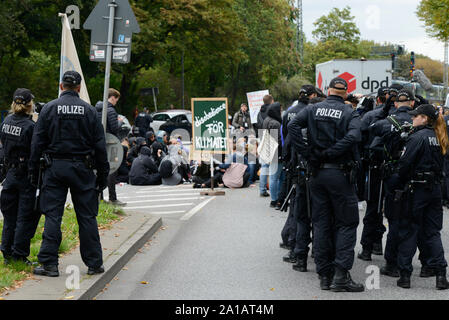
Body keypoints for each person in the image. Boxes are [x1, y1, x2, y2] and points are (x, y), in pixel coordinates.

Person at [29, 71, 109, 277]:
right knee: (87, 216)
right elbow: (100, 147)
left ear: (61, 85)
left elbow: (36, 143)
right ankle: (94, 263)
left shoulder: (48, 109)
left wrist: (32, 172)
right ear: (79, 88)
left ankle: (49, 264)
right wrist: (103, 175)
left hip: (54, 168)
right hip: (82, 169)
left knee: (53, 215)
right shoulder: (90, 111)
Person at [288, 77, 364, 292]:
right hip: (339, 173)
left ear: (328, 90)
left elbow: (292, 125)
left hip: (317, 173)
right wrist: (332, 153)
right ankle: (341, 275)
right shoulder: (350, 112)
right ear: (345, 93)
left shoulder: (313, 109)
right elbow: (354, 136)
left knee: (320, 223)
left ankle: (324, 275)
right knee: (346, 223)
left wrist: (308, 154)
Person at [394, 104, 449, 289]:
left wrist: (396, 182)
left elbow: (404, 165)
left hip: (416, 190)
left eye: (415, 116)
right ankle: (441, 274)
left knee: (409, 230)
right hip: (434, 190)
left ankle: (405, 276)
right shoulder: (440, 137)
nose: (412, 119)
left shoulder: (417, 138)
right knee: (432, 233)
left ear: (424, 118)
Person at [0, 88, 39, 265]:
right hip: (24, 176)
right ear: (30, 104)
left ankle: (6, 252)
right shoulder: (30, 126)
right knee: (24, 216)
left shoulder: (6, 121)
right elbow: (35, 152)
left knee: (9, 216)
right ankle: (19, 255)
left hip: (9, 174)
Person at [280, 85, 317, 271]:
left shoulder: (289, 113)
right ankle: (315, 251)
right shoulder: (311, 114)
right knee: (315, 214)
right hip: (313, 167)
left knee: (299, 211)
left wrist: (288, 161)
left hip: (297, 166)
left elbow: (285, 139)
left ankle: (295, 248)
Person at [96, 88, 126, 206]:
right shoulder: (111, 110)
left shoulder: (96, 108)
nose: (116, 102)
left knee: (99, 170)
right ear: (112, 97)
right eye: (116, 100)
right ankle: (113, 198)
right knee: (112, 171)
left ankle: (100, 198)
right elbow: (114, 128)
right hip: (111, 144)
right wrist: (120, 122)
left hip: (100, 142)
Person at [262, 102, 283, 209]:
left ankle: (275, 199)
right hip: (277, 153)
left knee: (274, 176)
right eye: (280, 110)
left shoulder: (267, 120)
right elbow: (278, 140)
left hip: (269, 151)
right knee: (276, 178)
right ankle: (275, 199)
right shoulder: (275, 123)